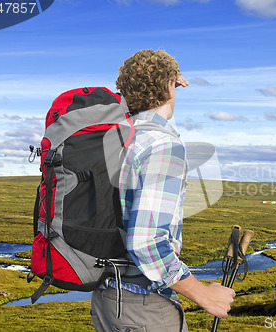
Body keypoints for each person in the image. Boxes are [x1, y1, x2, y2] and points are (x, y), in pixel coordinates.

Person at [90, 49, 235, 332]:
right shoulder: (162, 145)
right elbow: (147, 242)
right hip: (144, 306)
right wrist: (203, 294)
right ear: (172, 85)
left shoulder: (112, 138)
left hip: (106, 297)